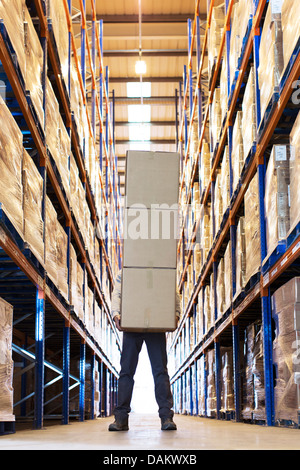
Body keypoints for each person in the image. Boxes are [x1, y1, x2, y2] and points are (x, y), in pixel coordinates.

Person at [108, 269, 181, 431]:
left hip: (156, 323)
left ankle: (166, 417)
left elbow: (172, 289)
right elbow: (117, 291)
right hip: (132, 323)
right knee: (126, 371)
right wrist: (115, 314)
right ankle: (120, 419)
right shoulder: (127, 269)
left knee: (160, 371)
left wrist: (176, 313)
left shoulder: (161, 268)